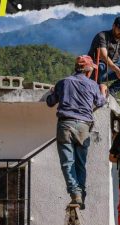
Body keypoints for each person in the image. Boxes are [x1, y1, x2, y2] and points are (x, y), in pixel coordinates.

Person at [46, 55, 107, 209]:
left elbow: (50, 102)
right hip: (83, 127)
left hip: (65, 124)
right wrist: (103, 90)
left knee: (67, 162)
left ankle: (75, 194)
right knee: (81, 163)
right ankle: (82, 194)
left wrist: (53, 91)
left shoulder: (64, 82)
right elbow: (100, 102)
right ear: (89, 71)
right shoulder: (93, 85)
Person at [88, 16, 120, 96]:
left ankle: (111, 90)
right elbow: (103, 56)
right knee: (102, 66)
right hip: (96, 69)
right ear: (114, 26)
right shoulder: (102, 36)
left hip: (111, 70)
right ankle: (96, 88)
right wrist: (117, 70)